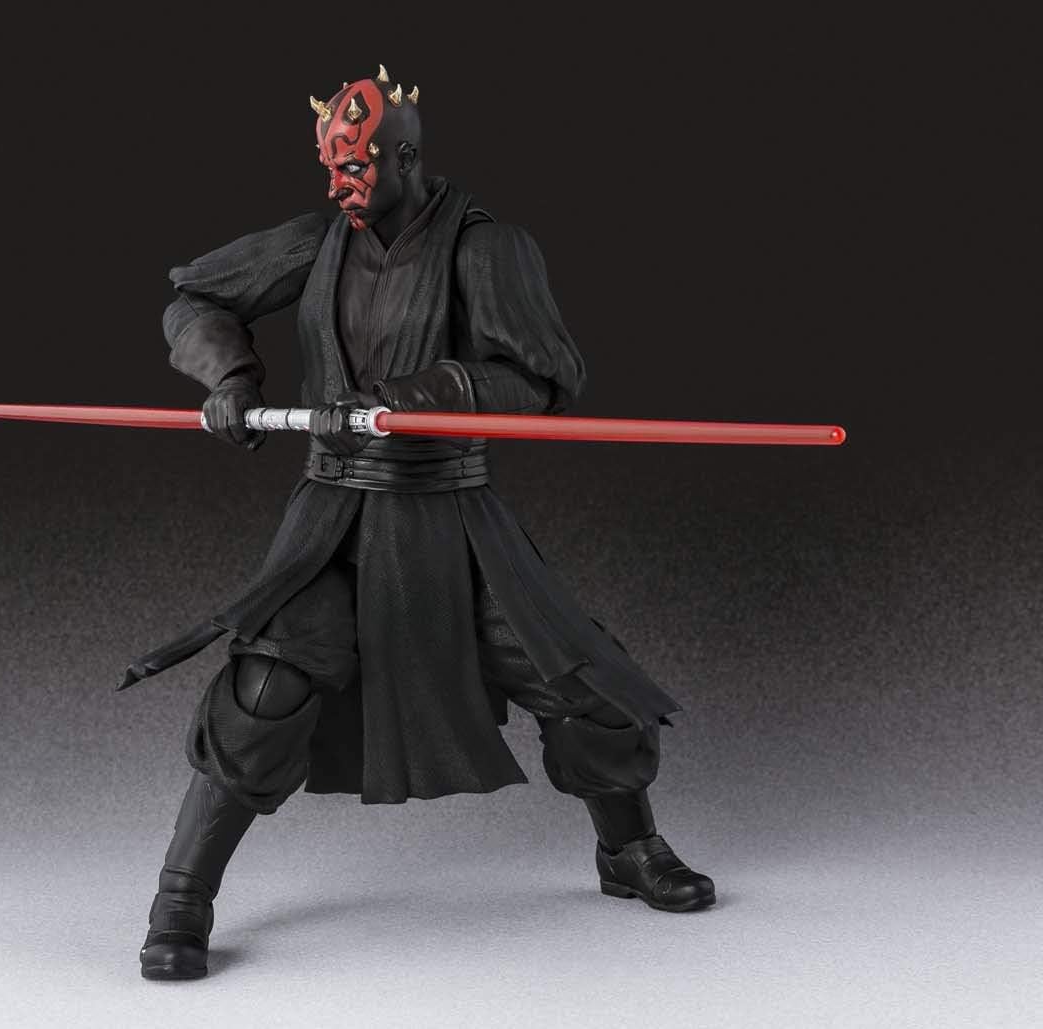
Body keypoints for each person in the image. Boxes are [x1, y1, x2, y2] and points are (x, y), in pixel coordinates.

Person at [124, 64, 715, 982]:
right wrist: (231, 379)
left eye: (356, 166)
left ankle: (627, 848)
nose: (339, 184)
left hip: (453, 516)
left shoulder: (486, 249)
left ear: (405, 157)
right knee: (263, 689)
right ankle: (182, 894)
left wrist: (424, 395)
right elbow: (191, 300)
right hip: (335, 518)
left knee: (583, 682)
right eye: (331, 166)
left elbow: (546, 380)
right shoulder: (316, 242)